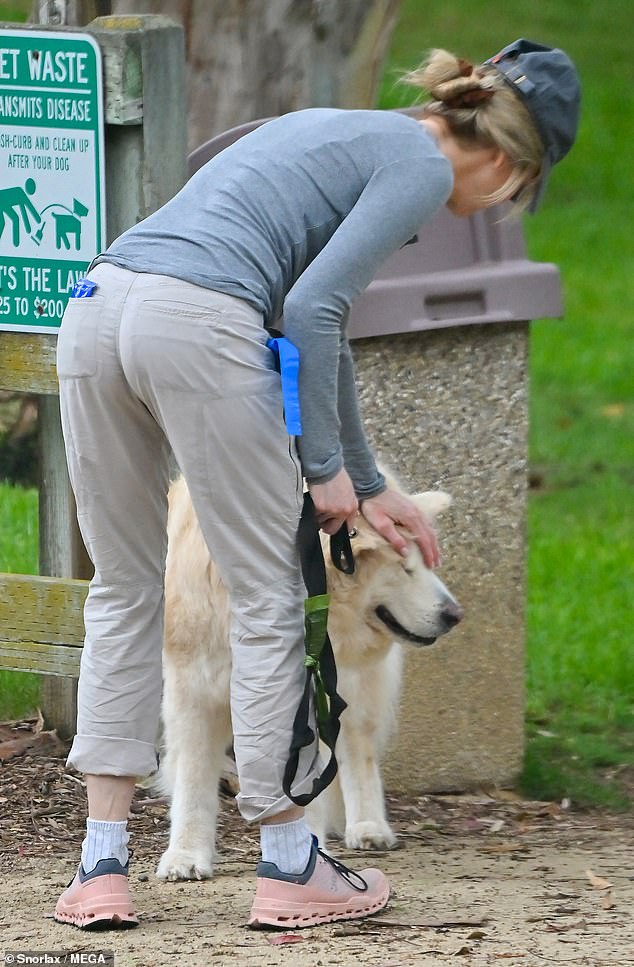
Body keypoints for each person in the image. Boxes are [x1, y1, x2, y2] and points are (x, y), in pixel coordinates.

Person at [53, 38, 580, 931]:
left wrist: (364, 479)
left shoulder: (336, 128)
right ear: (505, 161)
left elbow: (309, 320)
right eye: (518, 186)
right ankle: (292, 862)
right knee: (268, 598)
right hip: (198, 325)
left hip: (99, 307)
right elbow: (314, 311)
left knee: (123, 586)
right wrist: (329, 471)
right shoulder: (418, 164)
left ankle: (100, 866)